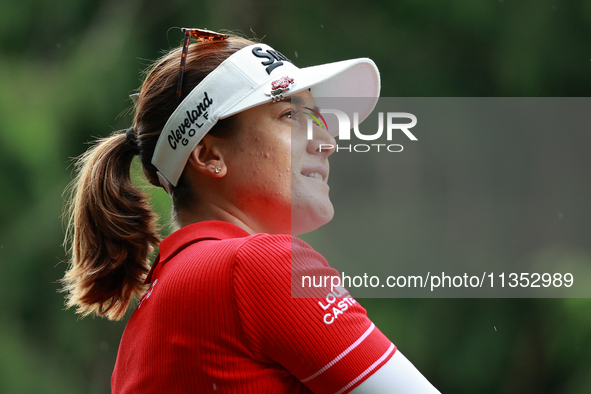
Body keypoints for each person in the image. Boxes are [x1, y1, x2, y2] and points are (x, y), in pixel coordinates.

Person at [61, 28, 441, 393]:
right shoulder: (258, 265)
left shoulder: (152, 310)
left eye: (316, 119)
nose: (327, 142)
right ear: (209, 155)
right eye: (290, 116)